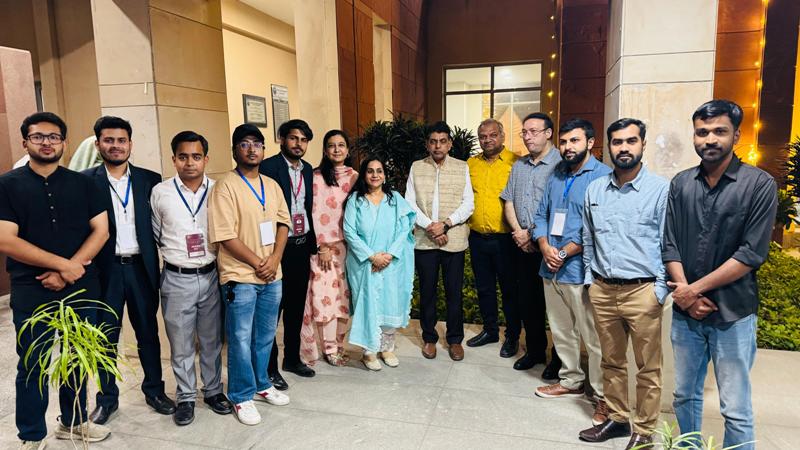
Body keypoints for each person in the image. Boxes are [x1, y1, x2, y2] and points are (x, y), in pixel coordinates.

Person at [663, 100, 777, 450]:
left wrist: (690, 291)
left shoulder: (759, 184)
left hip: (733, 313)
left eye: (719, 131)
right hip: (687, 316)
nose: (709, 139)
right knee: (684, 395)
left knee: (735, 407)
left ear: (736, 135)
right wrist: (687, 296)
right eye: (702, 132)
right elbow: (670, 244)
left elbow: (751, 253)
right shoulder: (682, 183)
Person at [0, 112, 111, 449]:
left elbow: (101, 231)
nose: (46, 142)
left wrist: (70, 271)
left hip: (81, 287)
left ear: (64, 142)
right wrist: (64, 266)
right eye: (38, 137)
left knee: (78, 357)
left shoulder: (85, 183)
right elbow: (6, 239)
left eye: (53, 137)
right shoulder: (7, 185)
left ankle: (74, 422)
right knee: (33, 362)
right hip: (30, 288)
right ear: (25, 142)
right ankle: (31, 434)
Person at [578, 118, 669, 449]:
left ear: (643, 144)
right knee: (611, 361)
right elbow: (588, 237)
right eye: (617, 142)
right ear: (609, 147)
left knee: (648, 368)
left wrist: (660, 289)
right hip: (603, 289)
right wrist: (590, 279)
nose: (624, 148)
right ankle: (617, 419)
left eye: (631, 141)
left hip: (643, 291)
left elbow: (669, 243)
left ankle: (644, 431)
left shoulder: (660, 190)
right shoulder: (595, 190)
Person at [83, 116, 173, 424]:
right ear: (98, 144)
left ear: (130, 144)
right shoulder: (85, 181)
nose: (116, 146)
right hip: (104, 271)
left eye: (121, 140)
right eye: (109, 140)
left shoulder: (150, 179)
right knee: (104, 337)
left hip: (140, 269)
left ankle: (154, 391)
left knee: (148, 333)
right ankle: (107, 399)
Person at [208, 124, 291, 425]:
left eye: (257, 143)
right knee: (240, 338)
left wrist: (275, 258)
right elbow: (225, 235)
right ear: (235, 150)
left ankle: (261, 384)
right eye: (244, 144)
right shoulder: (225, 186)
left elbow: (283, 223)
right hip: (240, 275)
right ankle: (241, 395)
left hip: (272, 274)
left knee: (265, 335)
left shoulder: (272, 185)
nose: (252, 149)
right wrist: (259, 263)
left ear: (264, 149)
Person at [532, 118, 612, 426]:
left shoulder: (602, 176)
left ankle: (603, 396)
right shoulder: (556, 174)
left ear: (590, 143)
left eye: (574, 141)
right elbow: (541, 214)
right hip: (550, 267)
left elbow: (597, 226)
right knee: (561, 329)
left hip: (580, 270)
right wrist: (544, 245)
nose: (567, 147)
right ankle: (571, 380)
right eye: (564, 142)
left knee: (593, 337)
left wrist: (564, 252)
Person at [150, 131, 233, 426]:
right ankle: (185, 396)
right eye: (183, 157)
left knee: (211, 340)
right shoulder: (160, 192)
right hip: (176, 277)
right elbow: (156, 234)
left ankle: (213, 391)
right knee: (181, 343)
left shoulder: (219, 190)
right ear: (174, 159)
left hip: (210, 274)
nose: (190, 163)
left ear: (206, 159)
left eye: (196, 157)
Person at [500, 112, 563, 377]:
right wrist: (518, 232)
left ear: (548, 133)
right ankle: (535, 351)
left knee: (558, 309)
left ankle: (559, 360)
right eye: (524, 132)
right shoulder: (520, 165)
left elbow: (559, 208)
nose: (527, 137)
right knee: (529, 302)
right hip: (523, 246)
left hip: (551, 248)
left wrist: (534, 234)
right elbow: (509, 200)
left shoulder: (562, 164)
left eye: (533, 131)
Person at [405, 121, 474, 361]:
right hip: (425, 240)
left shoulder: (462, 167)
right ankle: (429, 338)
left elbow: (468, 203)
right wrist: (430, 227)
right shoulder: (417, 167)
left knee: (454, 292)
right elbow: (410, 203)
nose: (437, 146)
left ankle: (454, 340)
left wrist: (444, 224)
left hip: (453, 239)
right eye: (433, 141)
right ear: (427, 144)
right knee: (427, 292)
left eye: (442, 141)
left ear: (449, 144)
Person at [260, 119, 317, 388]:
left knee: (295, 307)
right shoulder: (268, 167)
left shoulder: (307, 169)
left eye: (303, 140)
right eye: (294, 138)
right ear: (282, 139)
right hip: (276, 247)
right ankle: (269, 367)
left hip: (301, 246)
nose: (298, 144)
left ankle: (292, 358)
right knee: (272, 309)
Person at [344, 156, 416, 371]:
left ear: (384, 175)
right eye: (370, 171)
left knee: (390, 303)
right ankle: (369, 351)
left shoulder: (395, 199)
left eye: (379, 171)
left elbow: (405, 228)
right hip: (364, 264)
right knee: (368, 305)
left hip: (391, 263)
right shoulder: (355, 200)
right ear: (364, 175)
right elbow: (349, 231)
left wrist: (389, 255)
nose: (375, 175)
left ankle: (387, 348)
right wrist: (371, 256)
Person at [299, 130, 358, 366]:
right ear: (325, 150)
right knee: (325, 300)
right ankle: (329, 348)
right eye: (331, 145)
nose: (336, 149)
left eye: (341, 145)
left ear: (348, 150)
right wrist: (320, 245)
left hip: (349, 249)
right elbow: (309, 213)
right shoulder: (314, 177)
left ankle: (339, 345)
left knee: (344, 299)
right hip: (322, 249)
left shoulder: (355, 177)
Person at [465, 119, 519, 358]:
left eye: (492, 135)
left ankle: (513, 336)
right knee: (484, 288)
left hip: (506, 240)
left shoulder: (516, 162)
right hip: (477, 238)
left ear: (502, 136)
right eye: (483, 136)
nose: (487, 140)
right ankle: (490, 330)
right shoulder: (471, 164)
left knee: (509, 290)